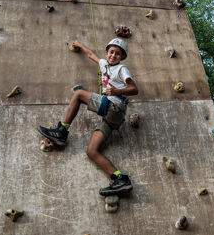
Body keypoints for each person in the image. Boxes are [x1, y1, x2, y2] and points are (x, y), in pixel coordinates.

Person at [38, 38, 139, 196]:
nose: (113, 55)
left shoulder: (122, 69)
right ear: (107, 53)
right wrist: (78, 44)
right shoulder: (104, 64)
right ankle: (120, 179)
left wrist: (119, 91)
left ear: (122, 57)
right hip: (114, 118)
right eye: (111, 52)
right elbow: (91, 54)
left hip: (114, 106)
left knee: (78, 94)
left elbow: (134, 89)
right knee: (91, 151)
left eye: (118, 54)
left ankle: (62, 131)